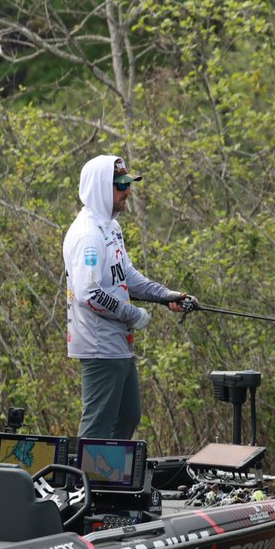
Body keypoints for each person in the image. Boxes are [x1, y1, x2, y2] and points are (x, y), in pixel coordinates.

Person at [63, 154, 197, 440]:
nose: (128, 191)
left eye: (128, 183)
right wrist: (132, 314)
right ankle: (81, 483)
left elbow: (125, 274)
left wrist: (165, 295)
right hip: (99, 345)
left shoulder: (111, 227)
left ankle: (107, 479)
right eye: (121, 184)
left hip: (118, 342)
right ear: (101, 187)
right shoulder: (88, 235)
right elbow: (89, 293)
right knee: (98, 424)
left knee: (128, 416)